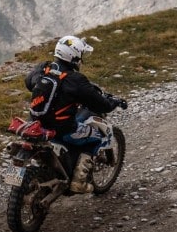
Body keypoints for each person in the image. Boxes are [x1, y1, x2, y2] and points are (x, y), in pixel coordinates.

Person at [24, 35, 126, 193]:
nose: (81, 59)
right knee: (99, 136)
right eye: (81, 56)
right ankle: (78, 182)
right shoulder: (75, 80)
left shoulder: (44, 68)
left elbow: (29, 82)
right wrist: (115, 102)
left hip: (36, 123)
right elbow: (101, 104)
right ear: (74, 56)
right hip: (64, 129)